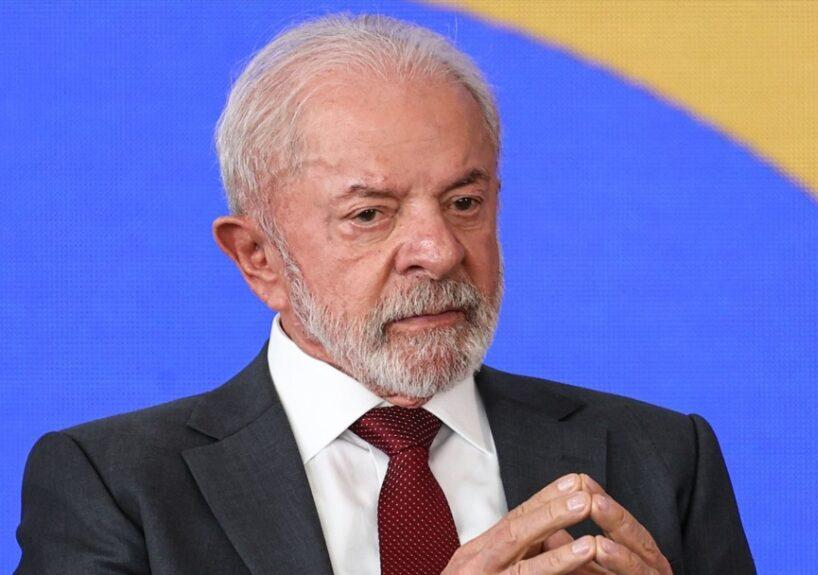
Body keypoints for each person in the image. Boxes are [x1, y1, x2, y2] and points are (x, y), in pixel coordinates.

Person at [16, 14, 755, 575]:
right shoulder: (114, 487)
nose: (439, 250)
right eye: (370, 214)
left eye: (464, 203)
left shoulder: (660, 458)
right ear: (258, 258)